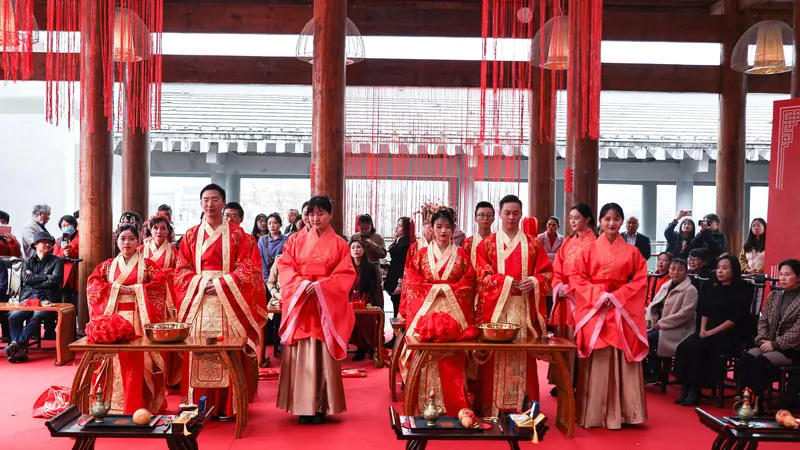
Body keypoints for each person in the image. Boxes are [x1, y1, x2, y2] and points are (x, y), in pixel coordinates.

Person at [173, 183, 267, 420]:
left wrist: (221, 283)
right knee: (199, 349)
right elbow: (180, 268)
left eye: (215, 199)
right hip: (199, 300)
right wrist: (199, 283)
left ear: (224, 203)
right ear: (200, 203)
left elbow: (249, 268)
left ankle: (227, 406)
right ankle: (196, 405)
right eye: (206, 200)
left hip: (229, 301)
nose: (210, 204)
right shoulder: (191, 235)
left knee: (229, 350)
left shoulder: (238, 236)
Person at [277, 196, 356, 424]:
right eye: (311, 214)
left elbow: (345, 274)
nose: (315, 218)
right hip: (302, 301)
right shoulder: (294, 240)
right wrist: (301, 285)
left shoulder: (340, 244)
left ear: (330, 214)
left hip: (325, 304)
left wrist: (322, 286)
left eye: (320, 213)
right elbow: (286, 267)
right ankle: (301, 406)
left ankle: (322, 405)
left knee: (322, 351)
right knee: (302, 352)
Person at [571, 202, 649, 429]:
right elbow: (577, 277)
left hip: (621, 308)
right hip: (596, 308)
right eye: (607, 219)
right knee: (599, 355)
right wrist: (597, 295)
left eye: (616, 219)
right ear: (600, 222)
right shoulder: (588, 250)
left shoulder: (633, 252)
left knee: (622, 354)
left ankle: (628, 413)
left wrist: (619, 296)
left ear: (622, 221)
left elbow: (641, 279)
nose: (611, 223)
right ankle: (594, 413)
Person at [474, 194, 553, 415]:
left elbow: (547, 273)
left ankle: (524, 408)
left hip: (523, 310)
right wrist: (507, 282)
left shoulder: (533, 243)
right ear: (499, 214)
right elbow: (482, 275)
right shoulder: (487, 245)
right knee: (494, 357)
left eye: (515, 213)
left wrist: (535, 281)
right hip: (496, 310)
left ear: (521, 215)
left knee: (523, 357)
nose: (511, 217)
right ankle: (491, 408)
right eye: (507, 213)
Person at [86, 225, 169, 412]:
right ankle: (110, 403)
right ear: (116, 241)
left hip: (140, 318)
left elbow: (160, 285)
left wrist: (137, 290)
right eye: (123, 238)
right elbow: (93, 285)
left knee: (142, 360)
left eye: (131, 238)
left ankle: (140, 403)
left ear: (138, 241)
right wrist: (115, 289)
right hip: (113, 320)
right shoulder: (107, 266)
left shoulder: (148, 265)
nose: (127, 242)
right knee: (113, 361)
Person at [400, 209, 475, 414]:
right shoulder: (421, 255)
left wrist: (446, 290)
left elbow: (469, 283)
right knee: (425, 358)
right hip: (426, 315)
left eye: (447, 226)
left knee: (451, 358)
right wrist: (436, 289)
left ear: (453, 229)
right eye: (439, 226)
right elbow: (411, 281)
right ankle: (423, 406)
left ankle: (454, 406)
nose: (443, 230)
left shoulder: (461, 255)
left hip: (453, 315)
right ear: (431, 229)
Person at [673, 254, 752, 406]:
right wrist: (703, 329)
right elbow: (704, 311)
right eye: (718, 268)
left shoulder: (743, 289)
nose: (720, 271)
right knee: (684, 347)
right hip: (708, 329)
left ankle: (696, 389)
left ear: (734, 270)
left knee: (699, 349)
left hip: (730, 332)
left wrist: (711, 332)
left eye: (724, 268)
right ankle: (685, 386)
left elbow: (735, 319)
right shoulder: (712, 286)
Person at [738, 259, 800, 410]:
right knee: (745, 357)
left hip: (792, 348)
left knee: (760, 360)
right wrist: (762, 339)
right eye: (781, 274)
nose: (782, 278)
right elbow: (763, 319)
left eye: (787, 275)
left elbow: (797, 330)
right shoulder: (775, 296)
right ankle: (745, 400)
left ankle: (757, 404)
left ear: (798, 277)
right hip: (768, 343)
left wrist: (775, 344)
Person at [547, 203, 596, 393]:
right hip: (564, 298)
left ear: (587, 219)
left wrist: (571, 286)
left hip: (581, 298)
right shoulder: (567, 241)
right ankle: (562, 381)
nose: (573, 221)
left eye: (577, 217)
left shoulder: (594, 243)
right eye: (571, 218)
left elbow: (593, 273)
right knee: (563, 338)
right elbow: (557, 267)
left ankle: (577, 382)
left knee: (577, 339)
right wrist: (558, 285)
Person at [5, 232, 62, 363]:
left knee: (38, 316)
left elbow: (56, 280)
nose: (47, 244)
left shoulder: (57, 261)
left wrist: (35, 277)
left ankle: (15, 345)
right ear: (35, 244)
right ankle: (18, 349)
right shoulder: (27, 261)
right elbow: (26, 279)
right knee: (14, 317)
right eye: (43, 242)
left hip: (46, 299)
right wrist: (45, 276)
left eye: (49, 242)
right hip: (28, 298)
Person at [141, 213, 181, 387]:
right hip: (146, 297)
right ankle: (149, 374)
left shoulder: (174, 252)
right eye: (155, 228)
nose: (159, 231)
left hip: (167, 298)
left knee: (167, 334)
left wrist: (165, 276)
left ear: (169, 231)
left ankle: (168, 377)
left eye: (163, 228)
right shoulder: (141, 250)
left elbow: (180, 274)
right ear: (150, 230)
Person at [643, 258, 698, 384]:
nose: (675, 272)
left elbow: (684, 314)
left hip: (677, 329)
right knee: (638, 336)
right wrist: (649, 319)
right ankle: (646, 370)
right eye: (673, 269)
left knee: (648, 339)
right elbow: (653, 305)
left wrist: (661, 324)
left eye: (680, 269)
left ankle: (654, 372)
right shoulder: (666, 285)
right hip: (658, 325)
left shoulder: (690, 290)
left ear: (686, 272)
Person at [348, 238, 384, 361]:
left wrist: (367, 298)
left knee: (365, 321)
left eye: (358, 247)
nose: (355, 250)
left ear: (363, 250)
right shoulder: (346, 267)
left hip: (366, 299)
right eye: (353, 248)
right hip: (349, 299)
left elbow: (373, 286)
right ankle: (359, 346)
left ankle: (366, 346)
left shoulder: (370, 267)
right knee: (352, 322)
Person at [384, 217, 413, 320]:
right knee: (395, 305)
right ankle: (395, 334)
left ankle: (396, 334)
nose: (396, 228)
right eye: (397, 225)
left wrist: (400, 283)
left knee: (398, 308)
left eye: (400, 226)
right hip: (393, 276)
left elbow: (403, 265)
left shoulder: (405, 244)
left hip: (399, 280)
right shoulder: (398, 240)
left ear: (406, 229)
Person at [0, 210, 21, 339]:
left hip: (5, 271)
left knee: (4, 302)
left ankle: (7, 333)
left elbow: (16, 255)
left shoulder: (10, 238)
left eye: (4, 222)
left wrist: (11, 243)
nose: (1, 224)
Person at [463, 202, 495, 267]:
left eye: (488, 215)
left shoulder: (497, 241)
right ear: (475, 219)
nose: (485, 218)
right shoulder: (468, 243)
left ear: (493, 219)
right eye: (481, 215)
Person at [53, 215, 79, 292]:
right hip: (63, 273)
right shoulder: (59, 240)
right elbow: (55, 256)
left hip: (77, 273)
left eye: (68, 225)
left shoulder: (82, 237)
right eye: (63, 226)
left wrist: (71, 251)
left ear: (74, 225)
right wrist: (63, 254)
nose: (66, 228)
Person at [258, 213, 287, 283]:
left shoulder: (286, 240)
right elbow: (261, 260)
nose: (272, 226)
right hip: (266, 276)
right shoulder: (262, 240)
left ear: (280, 224)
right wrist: (266, 280)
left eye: (275, 223)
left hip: (281, 277)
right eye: (269, 223)